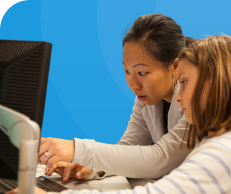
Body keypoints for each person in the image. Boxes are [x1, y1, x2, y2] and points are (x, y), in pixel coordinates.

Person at [5, 35, 231, 194]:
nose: (178, 97)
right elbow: (131, 149)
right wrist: (94, 169)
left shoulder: (225, 153)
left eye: (184, 83)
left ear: (214, 83)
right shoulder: (218, 143)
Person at [39, 14, 194, 181]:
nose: (133, 84)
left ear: (175, 66)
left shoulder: (198, 98)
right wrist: (89, 166)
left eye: (142, 72)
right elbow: (130, 147)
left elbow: (162, 159)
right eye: (127, 71)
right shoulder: (147, 97)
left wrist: (79, 150)